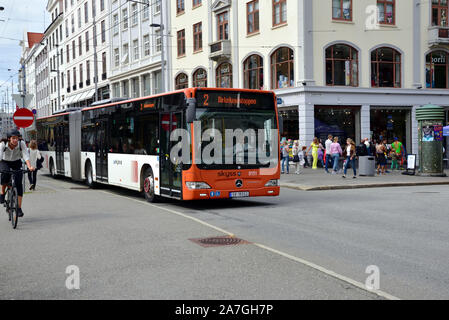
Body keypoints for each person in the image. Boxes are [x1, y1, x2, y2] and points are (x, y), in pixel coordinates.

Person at [0, 129, 35, 217]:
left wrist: (29, 167)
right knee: (4, 174)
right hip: (5, 161)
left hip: (16, 162)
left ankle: (19, 208)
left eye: (17, 138)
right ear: (9, 139)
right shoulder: (3, 144)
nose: (16, 140)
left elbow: (26, 155)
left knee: (19, 184)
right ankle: (2, 193)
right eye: (13, 138)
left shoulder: (21, 143)